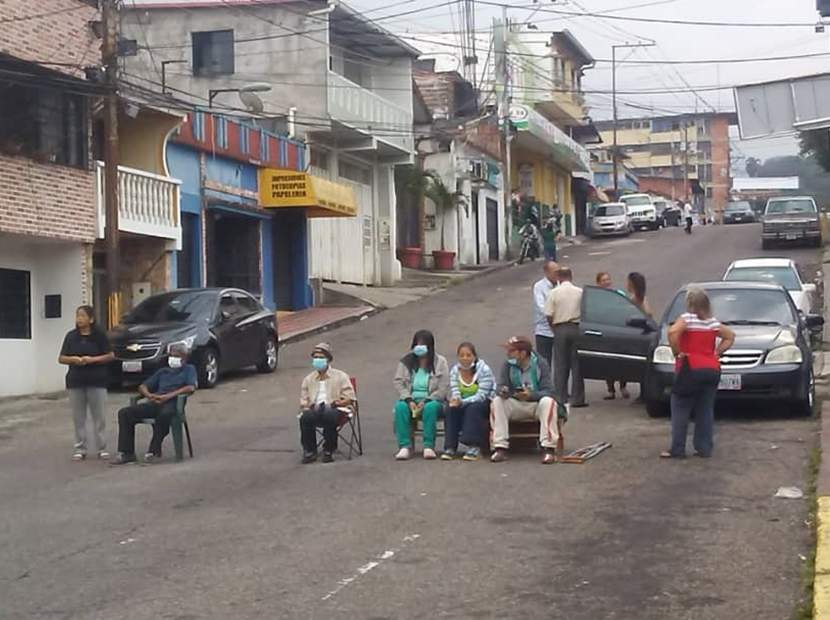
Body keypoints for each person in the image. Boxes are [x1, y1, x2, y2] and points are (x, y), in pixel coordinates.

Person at [661, 288, 735, 459]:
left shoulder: (687, 318)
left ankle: (677, 449)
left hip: (690, 368)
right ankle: (704, 448)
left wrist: (677, 351)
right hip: (712, 368)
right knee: (705, 409)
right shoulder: (712, 322)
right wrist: (717, 352)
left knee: (680, 407)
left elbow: (672, 332)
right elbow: (730, 336)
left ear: (690, 303)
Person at [112, 344, 197, 464]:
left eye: (176, 356)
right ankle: (126, 453)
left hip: (172, 403)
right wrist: (149, 395)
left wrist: (167, 396)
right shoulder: (163, 371)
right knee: (125, 413)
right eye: (171, 355)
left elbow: (190, 387)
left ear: (184, 358)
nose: (173, 358)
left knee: (165, 415)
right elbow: (143, 386)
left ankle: (154, 450)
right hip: (155, 401)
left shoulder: (189, 369)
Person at [490, 336, 560, 465]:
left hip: (535, 405)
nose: (508, 354)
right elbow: (500, 386)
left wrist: (531, 395)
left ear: (522, 353)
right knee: (497, 402)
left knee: (549, 402)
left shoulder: (540, 364)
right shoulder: (508, 364)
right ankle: (500, 447)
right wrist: (505, 391)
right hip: (516, 403)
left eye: (512, 351)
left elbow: (549, 391)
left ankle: (549, 449)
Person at [58, 305, 115, 461]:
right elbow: (61, 358)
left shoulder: (99, 336)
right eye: (77, 316)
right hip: (76, 381)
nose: (79, 319)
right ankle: (80, 448)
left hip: (97, 380)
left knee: (99, 416)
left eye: (82, 316)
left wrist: (93, 360)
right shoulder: (71, 336)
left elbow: (110, 355)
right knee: (78, 417)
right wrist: (74, 359)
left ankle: (102, 447)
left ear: (91, 319)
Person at [393, 330, 449, 461]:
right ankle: (404, 446)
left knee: (430, 408)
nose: (419, 347)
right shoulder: (406, 362)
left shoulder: (440, 362)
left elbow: (443, 387)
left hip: (433, 400)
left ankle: (428, 446)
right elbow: (399, 382)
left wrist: (427, 400)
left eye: (423, 344)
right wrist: (408, 399)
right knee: (400, 407)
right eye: (417, 344)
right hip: (411, 399)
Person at [298, 343, 356, 464]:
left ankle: (328, 449)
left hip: (336, 409)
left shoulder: (340, 376)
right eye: (315, 357)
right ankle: (310, 451)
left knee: (329, 414)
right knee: (305, 417)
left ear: (328, 359)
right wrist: (309, 406)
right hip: (315, 409)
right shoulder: (308, 379)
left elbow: (350, 398)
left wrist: (338, 403)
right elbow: (303, 401)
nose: (317, 360)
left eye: (321, 357)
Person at [442, 342, 496, 462]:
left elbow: (482, 395)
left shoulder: (484, 370)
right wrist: (456, 400)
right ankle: (450, 447)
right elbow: (455, 390)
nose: (465, 358)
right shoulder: (455, 371)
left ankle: (474, 447)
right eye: (462, 355)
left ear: (474, 356)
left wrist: (463, 402)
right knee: (450, 409)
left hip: (483, 402)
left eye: (468, 355)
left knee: (473, 408)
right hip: (463, 401)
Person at [544, 267, 586, 408]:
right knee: (577, 364)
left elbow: (548, 314)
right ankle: (578, 398)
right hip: (576, 327)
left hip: (560, 327)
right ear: (571, 277)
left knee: (561, 364)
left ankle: (560, 397)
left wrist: (554, 328)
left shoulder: (554, 293)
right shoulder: (580, 292)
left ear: (559, 278)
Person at [596, 273, 630, 400]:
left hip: (619, 330)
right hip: (605, 331)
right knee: (607, 361)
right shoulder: (597, 297)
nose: (606, 282)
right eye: (603, 280)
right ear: (598, 283)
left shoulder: (619, 293)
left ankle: (623, 386)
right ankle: (610, 390)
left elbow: (627, 308)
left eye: (608, 279)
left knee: (622, 360)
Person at [532, 260, 559, 367]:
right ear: (546, 272)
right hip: (543, 331)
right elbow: (541, 307)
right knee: (544, 363)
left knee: (561, 362)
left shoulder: (560, 285)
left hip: (558, 329)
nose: (557, 274)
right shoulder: (539, 287)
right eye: (554, 272)